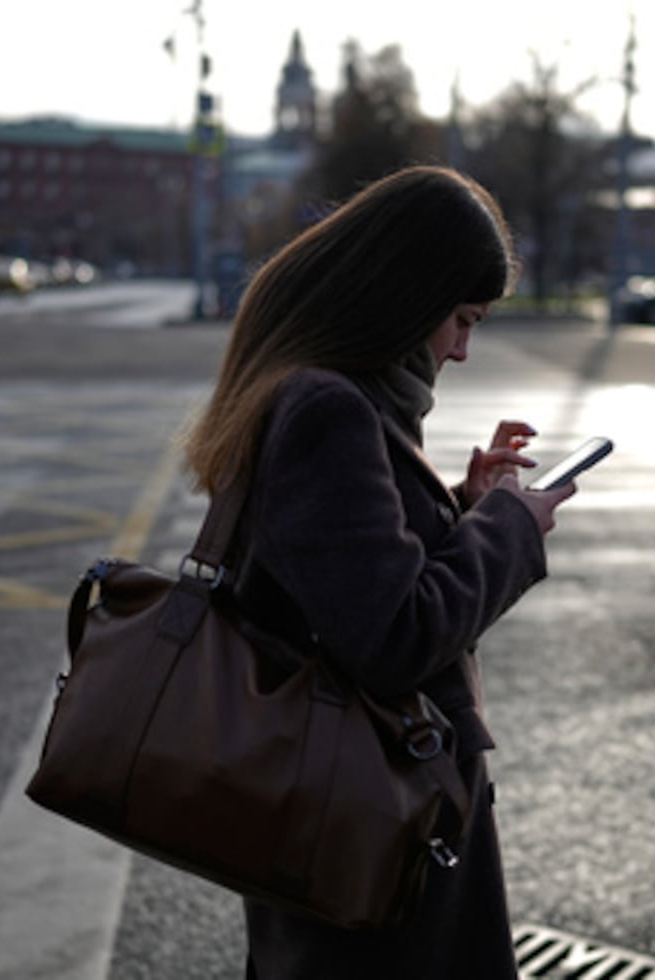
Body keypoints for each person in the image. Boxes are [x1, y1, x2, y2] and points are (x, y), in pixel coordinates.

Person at [184, 165, 575, 979]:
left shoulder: (319, 392)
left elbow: (348, 585)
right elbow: (393, 635)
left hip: (336, 820)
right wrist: (509, 530)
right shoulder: (329, 410)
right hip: (368, 832)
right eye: (462, 320)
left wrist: (465, 507)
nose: (463, 350)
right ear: (405, 292)